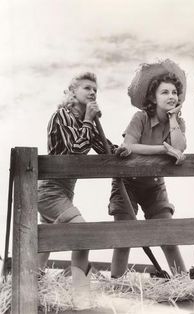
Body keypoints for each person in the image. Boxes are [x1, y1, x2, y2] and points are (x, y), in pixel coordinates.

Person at [37, 72, 129, 309]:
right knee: (83, 235)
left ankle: (32, 289)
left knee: (45, 243)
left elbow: (104, 148)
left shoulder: (84, 121)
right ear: (72, 92)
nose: (92, 93)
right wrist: (89, 118)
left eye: (95, 90)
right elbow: (75, 152)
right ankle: (82, 300)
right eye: (87, 88)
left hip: (65, 192)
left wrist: (123, 151)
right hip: (50, 191)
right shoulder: (61, 116)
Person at [108, 59, 187, 279]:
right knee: (125, 238)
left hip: (154, 184)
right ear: (153, 97)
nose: (171, 96)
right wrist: (163, 150)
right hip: (127, 181)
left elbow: (179, 148)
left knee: (167, 236)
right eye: (164, 92)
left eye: (174, 92)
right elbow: (129, 146)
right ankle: (117, 285)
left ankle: (182, 282)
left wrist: (172, 119)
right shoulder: (140, 117)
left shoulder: (178, 122)